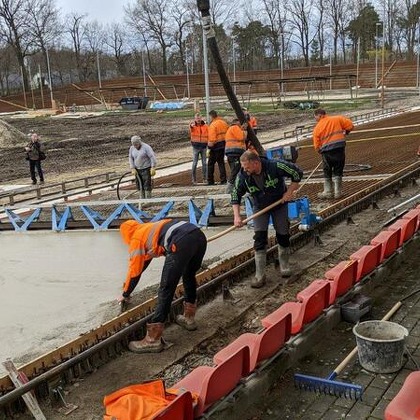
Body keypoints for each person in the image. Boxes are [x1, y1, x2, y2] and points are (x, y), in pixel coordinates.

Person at [118, 219, 207, 353]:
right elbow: (143, 264)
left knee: (166, 288)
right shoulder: (147, 229)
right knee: (189, 275)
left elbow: (135, 271)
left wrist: (125, 293)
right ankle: (189, 318)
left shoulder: (136, 239)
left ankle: (152, 339)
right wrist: (128, 289)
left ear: (126, 235)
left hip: (180, 241)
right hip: (198, 235)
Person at [231, 151, 303, 288]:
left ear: (256, 163)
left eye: (247, 167)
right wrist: (237, 216)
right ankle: (260, 275)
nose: (245, 169)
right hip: (260, 207)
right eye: (243, 167)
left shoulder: (275, 166)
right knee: (259, 238)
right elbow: (235, 194)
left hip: (279, 204)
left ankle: (284, 265)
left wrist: (289, 192)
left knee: (283, 234)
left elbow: (297, 173)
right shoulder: (242, 176)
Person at [312, 109, 354, 199]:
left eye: (315, 117)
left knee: (327, 170)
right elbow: (350, 125)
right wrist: (346, 132)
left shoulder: (317, 128)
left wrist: (320, 151)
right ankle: (338, 192)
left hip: (327, 151)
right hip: (339, 148)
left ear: (319, 115)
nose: (315, 119)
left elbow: (317, 145)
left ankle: (328, 192)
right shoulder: (337, 119)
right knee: (338, 169)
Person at [225, 118, 248, 193]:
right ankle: (229, 189)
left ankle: (235, 187)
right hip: (235, 151)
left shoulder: (232, 129)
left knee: (235, 170)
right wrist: (245, 130)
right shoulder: (235, 127)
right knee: (235, 170)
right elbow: (242, 137)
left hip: (232, 152)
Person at [207, 110, 229, 185]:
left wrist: (209, 148)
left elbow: (212, 139)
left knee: (210, 164)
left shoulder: (213, 125)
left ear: (211, 116)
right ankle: (223, 179)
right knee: (221, 163)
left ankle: (210, 180)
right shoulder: (224, 123)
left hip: (215, 147)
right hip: (223, 145)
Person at [189, 113, 208, 184]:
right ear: (195, 119)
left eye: (199, 118)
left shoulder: (206, 126)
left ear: (201, 118)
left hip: (204, 147)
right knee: (195, 163)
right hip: (196, 147)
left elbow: (208, 135)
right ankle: (194, 180)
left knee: (204, 163)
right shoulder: (193, 126)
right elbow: (190, 127)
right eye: (197, 118)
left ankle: (205, 179)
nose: (198, 120)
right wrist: (191, 125)